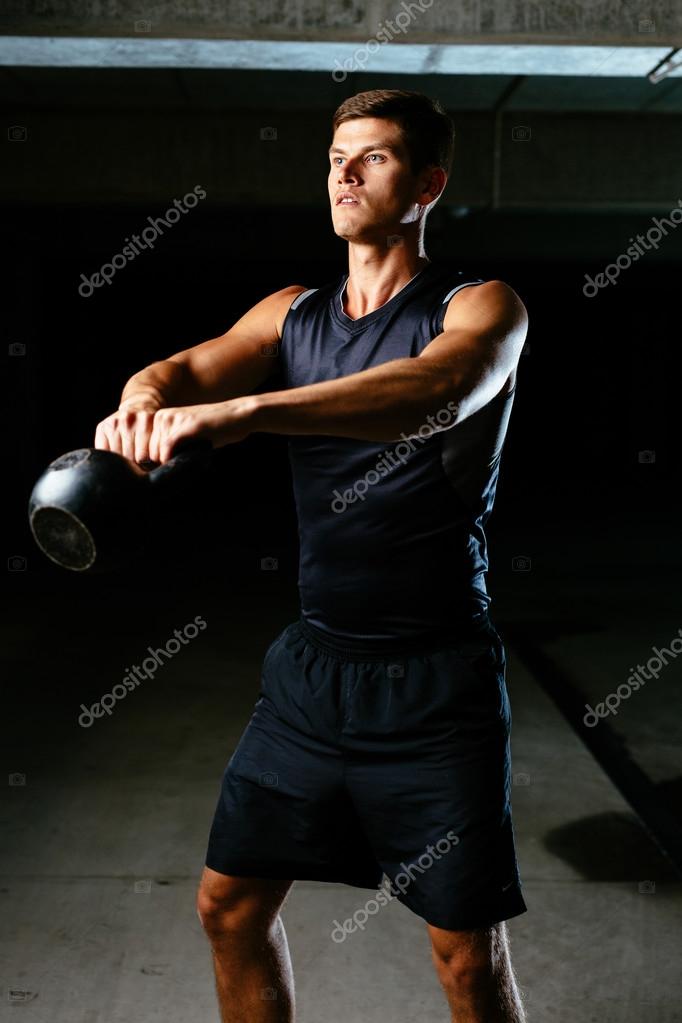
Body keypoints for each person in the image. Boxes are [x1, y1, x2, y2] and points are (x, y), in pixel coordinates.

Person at [95, 89, 529, 1023]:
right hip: (313, 673)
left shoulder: (480, 307)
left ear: (428, 185)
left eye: (371, 157)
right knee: (228, 906)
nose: (343, 172)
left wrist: (246, 412)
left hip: (434, 683)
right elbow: (181, 370)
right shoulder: (291, 313)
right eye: (336, 155)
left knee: (463, 956)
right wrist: (142, 395)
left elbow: (433, 391)